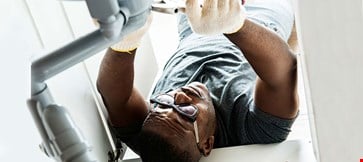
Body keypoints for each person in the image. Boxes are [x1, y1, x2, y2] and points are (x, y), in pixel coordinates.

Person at [97, 0, 299, 161]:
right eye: (186, 113)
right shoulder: (254, 132)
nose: (179, 95)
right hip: (261, 15)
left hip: (197, 20)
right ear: (207, 144)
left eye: (164, 103)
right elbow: (285, 71)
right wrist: (235, 25)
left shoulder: (154, 132)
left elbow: (115, 96)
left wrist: (126, 41)